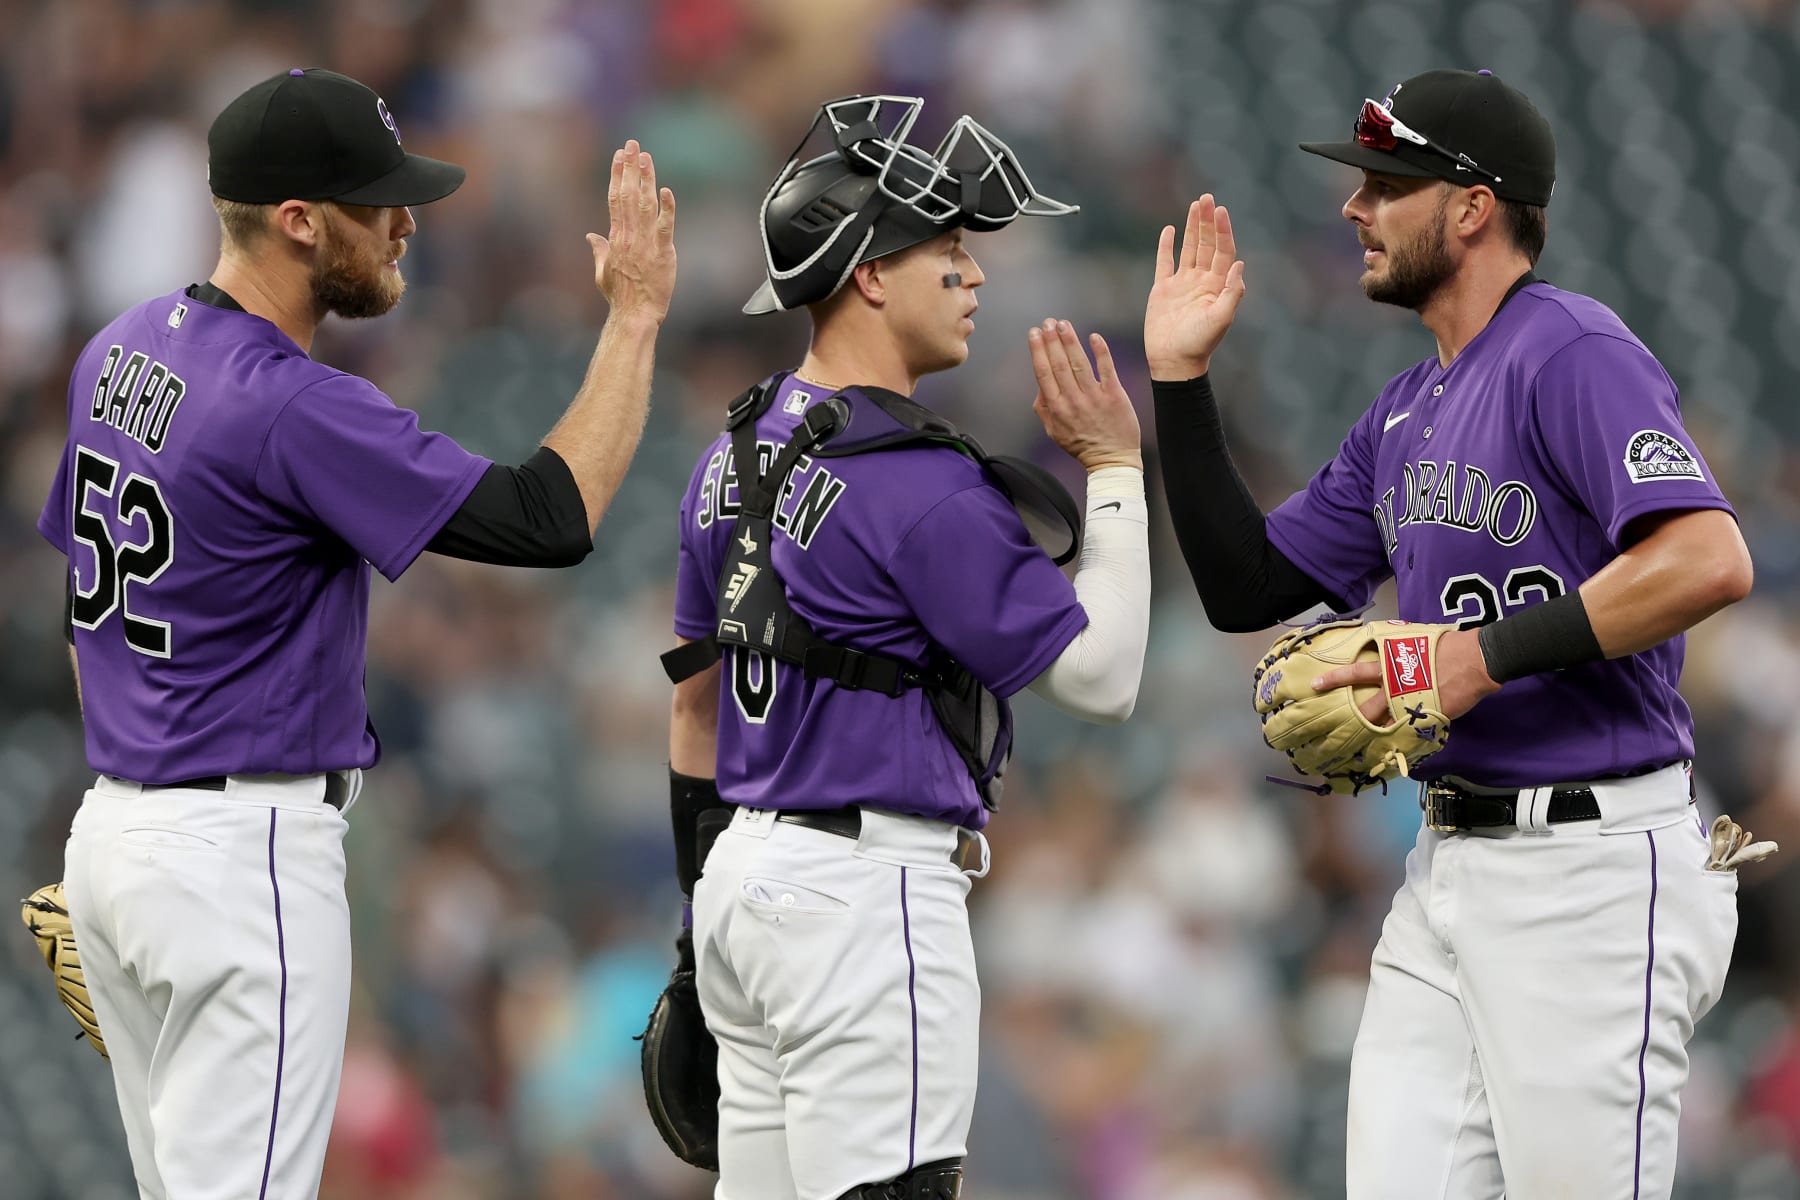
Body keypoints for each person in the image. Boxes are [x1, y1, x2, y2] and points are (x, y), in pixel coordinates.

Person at [34, 67, 676, 1199]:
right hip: (237, 867)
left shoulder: (117, 350)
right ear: (297, 220)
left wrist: (136, 823)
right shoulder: (288, 401)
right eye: (377, 201)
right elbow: (550, 516)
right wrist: (633, 319)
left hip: (115, 851)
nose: (403, 224)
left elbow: (80, 624)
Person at [1147, 69, 1756, 1197]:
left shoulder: (1572, 350)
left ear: (1471, 206)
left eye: (1386, 182)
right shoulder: (1403, 411)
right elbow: (1248, 584)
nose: (1354, 208)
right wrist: (1181, 379)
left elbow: (1707, 559)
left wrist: (1474, 659)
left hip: (1593, 874)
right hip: (1447, 871)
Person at [663, 95, 1151, 1199]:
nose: (974, 276)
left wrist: (704, 914)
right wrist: (1116, 469)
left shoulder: (728, 456)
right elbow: (1104, 677)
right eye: (948, 250)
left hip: (743, 879)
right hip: (862, 892)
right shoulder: (918, 483)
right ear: (870, 275)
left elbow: (694, 708)